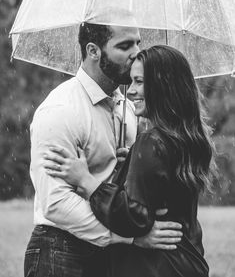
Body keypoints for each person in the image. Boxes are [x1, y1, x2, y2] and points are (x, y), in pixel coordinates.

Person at [25, 22, 183, 277]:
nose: (135, 53)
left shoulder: (129, 109)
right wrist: (128, 236)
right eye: (124, 45)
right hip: (62, 250)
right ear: (93, 51)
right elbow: (55, 202)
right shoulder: (61, 110)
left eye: (137, 43)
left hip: (110, 255)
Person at [44, 45, 214, 277]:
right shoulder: (188, 139)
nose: (131, 91)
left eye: (139, 82)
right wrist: (131, 164)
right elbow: (162, 197)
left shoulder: (152, 142)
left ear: (162, 85)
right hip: (187, 262)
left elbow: (135, 219)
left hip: (156, 266)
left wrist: (86, 181)